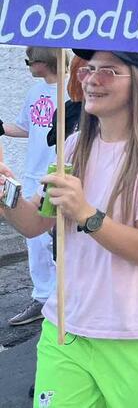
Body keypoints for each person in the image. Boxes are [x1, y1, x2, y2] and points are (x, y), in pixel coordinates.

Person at [0, 49, 138, 407]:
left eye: (108, 71)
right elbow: (35, 223)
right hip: (67, 331)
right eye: (89, 69)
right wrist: (4, 194)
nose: (91, 79)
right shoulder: (74, 146)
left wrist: (86, 214)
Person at [1, 47, 62, 326]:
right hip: (31, 175)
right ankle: (42, 298)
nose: (27, 66)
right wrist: (2, 127)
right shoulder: (35, 92)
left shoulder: (71, 92)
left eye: (30, 61)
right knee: (35, 242)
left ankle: (63, 298)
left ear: (45, 61)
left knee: (59, 241)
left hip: (55, 175)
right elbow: (28, 128)